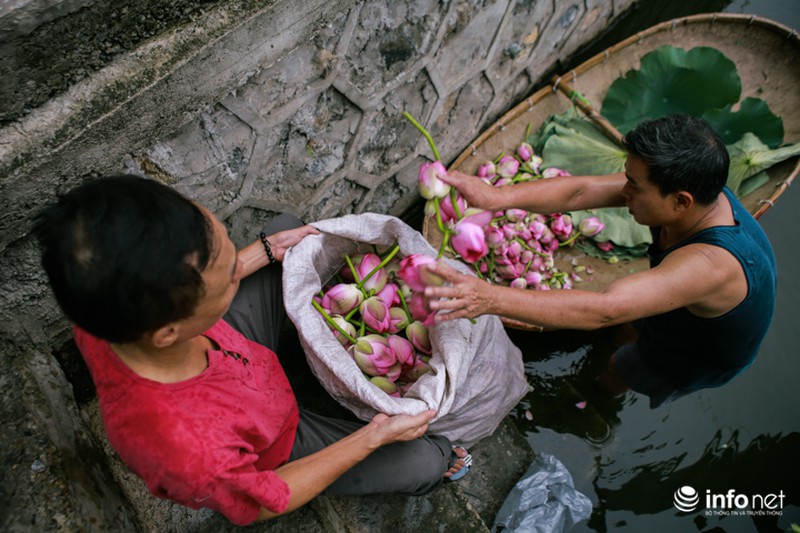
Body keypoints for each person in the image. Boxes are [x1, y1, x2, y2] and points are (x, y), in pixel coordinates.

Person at [34, 175, 470, 526]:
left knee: (287, 234)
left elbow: (231, 266)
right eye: (226, 277)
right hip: (275, 444)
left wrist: (263, 252)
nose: (236, 266)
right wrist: (372, 437)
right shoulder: (186, 450)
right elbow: (265, 503)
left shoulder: (103, 300)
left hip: (240, 357)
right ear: (169, 331)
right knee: (422, 459)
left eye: (225, 246)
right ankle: (440, 463)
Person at [424, 114, 776, 408]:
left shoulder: (710, 264)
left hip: (695, 350)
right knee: (626, 328)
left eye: (634, 186)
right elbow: (582, 191)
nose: (623, 192)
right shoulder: (691, 191)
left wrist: (488, 297)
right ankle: (623, 340)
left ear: (681, 202)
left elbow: (606, 308)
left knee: (619, 367)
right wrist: (495, 196)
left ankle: (594, 400)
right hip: (677, 300)